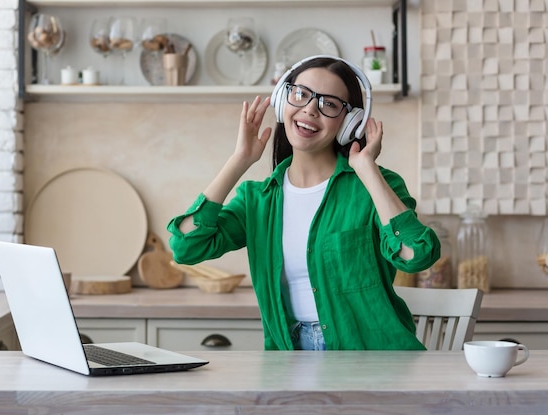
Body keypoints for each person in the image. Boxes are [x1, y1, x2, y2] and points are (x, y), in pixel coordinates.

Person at [167, 56, 440, 350]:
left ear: (350, 123)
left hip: (372, 360)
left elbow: (417, 256)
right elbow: (186, 247)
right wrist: (239, 160)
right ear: (284, 100)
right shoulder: (258, 199)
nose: (310, 109)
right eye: (301, 95)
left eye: (330, 104)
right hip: (289, 361)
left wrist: (367, 170)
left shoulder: (375, 187)